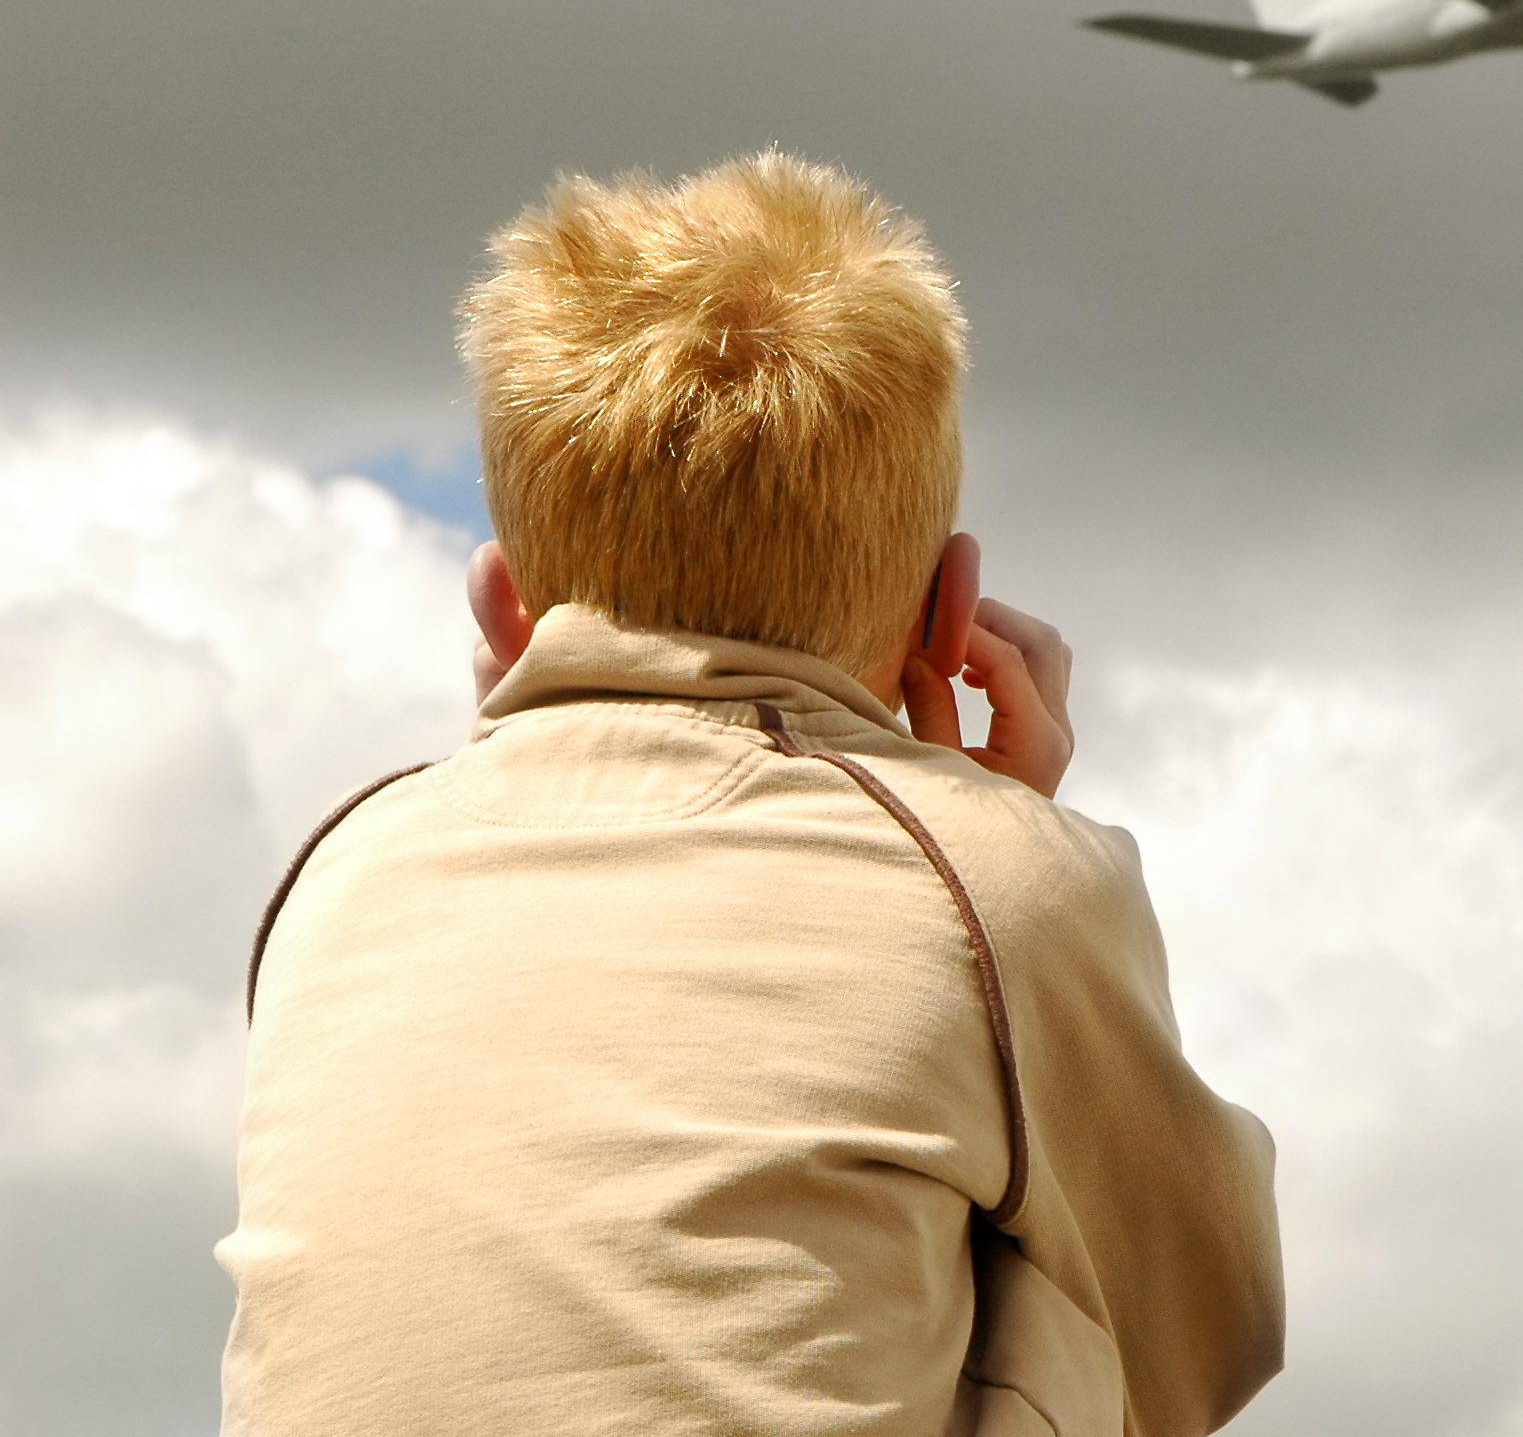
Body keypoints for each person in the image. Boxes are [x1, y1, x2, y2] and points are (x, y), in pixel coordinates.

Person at [219, 150, 1282, 1437]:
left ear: (502, 605)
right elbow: (1204, 1326)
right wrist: (1007, 828)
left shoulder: (337, 868)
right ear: (949, 614)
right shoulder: (983, 878)